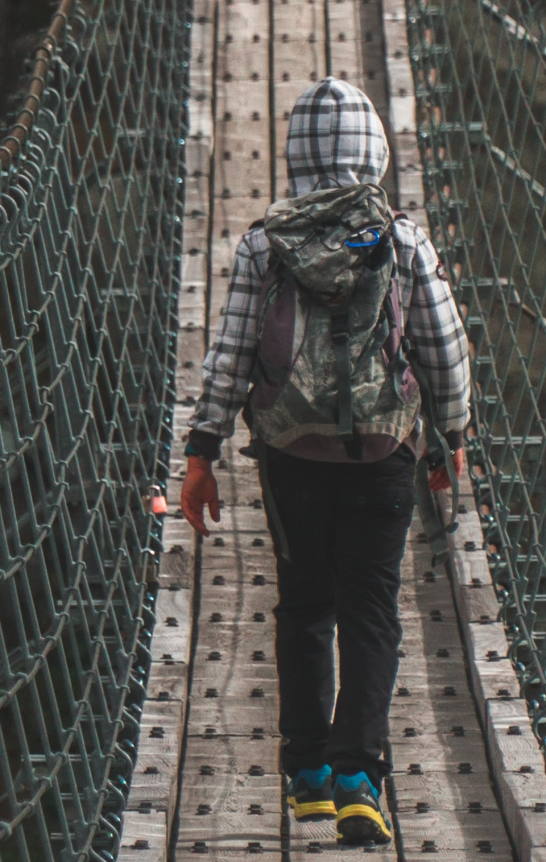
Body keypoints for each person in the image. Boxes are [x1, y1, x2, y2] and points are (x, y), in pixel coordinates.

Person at [179, 77, 472, 846]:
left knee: (304, 604)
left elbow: (232, 354)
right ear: (374, 150)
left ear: (293, 155)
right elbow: (442, 349)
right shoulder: (403, 239)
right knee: (371, 607)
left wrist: (201, 451)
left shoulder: (264, 244)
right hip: (383, 451)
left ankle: (306, 774)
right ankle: (357, 775)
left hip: (289, 453)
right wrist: (451, 436)